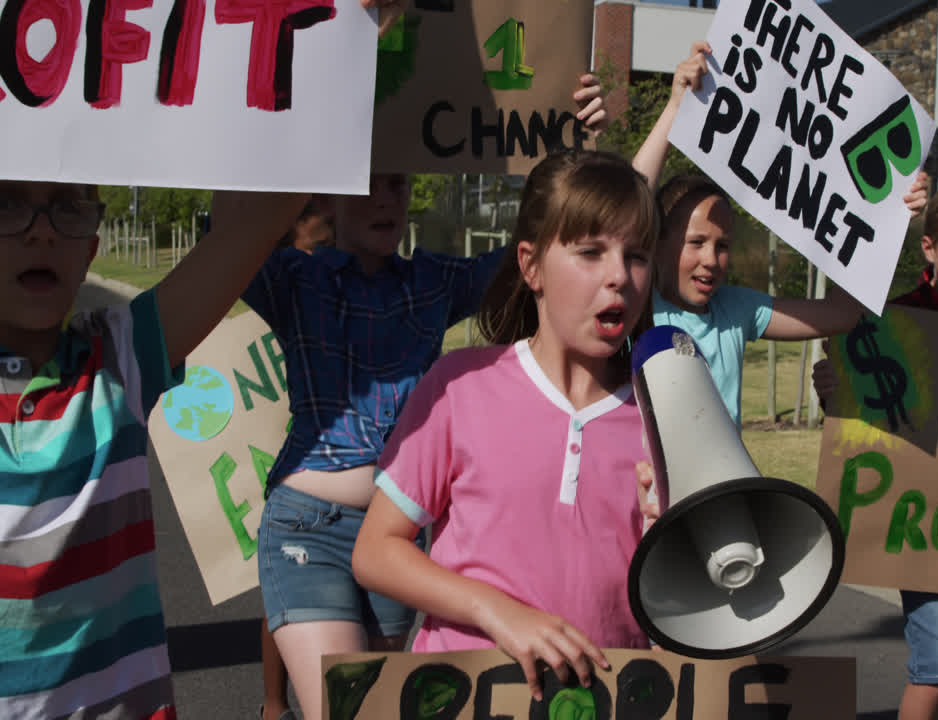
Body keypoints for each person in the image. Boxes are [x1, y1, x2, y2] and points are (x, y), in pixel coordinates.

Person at [245, 88, 609, 720]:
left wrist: (569, 149)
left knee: (384, 710)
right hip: (306, 526)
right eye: (368, 182)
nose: (386, 195)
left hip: (400, 543)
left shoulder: (435, 282)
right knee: (349, 711)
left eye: (397, 183)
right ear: (328, 195)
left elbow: (542, 247)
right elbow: (231, 227)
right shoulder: (293, 279)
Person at [351, 150, 657, 700]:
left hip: (608, 700)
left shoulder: (667, 413)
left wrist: (679, 545)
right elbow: (375, 550)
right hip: (464, 695)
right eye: (590, 252)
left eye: (636, 256)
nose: (619, 276)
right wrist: (496, 611)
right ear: (531, 265)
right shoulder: (459, 386)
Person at [0, 180, 306, 718]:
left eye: (67, 208)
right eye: (7, 205)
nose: (42, 230)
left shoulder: (121, 357)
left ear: (91, 246)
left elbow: (256, 221)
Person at [630, 43, 928, 425]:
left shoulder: (736, 310)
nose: (711, 259)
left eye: (723, 246)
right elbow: (631, 200)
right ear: (656, 242)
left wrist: (888, 218)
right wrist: (675, 108)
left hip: (730, 488)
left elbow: (841, 314)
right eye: (696, 242)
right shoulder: (638, 307)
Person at [811, 180, 938, 720]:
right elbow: (860, 421)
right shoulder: (890, 319)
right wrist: (837, 392)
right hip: (918, 521)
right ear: (929, 250)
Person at [257, 199, 336, 720]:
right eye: (316, 249)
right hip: (306, 482)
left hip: (370, 486)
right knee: (278, 600)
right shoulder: (292, 290)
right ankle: (272, 701)